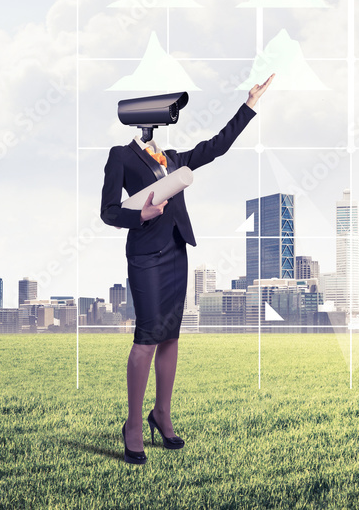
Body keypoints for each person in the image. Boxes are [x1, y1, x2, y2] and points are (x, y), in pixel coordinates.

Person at [100, 74, 274, 465]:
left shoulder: (174, 158)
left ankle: (162, 413)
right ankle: (131, 425)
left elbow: (217, 147)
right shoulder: (120, 156)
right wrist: (140, 215)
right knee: (146, 338)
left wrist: (249, 105)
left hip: (176, 253)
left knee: (170, 337)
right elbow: (108, 211)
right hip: (145, 257)